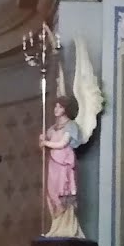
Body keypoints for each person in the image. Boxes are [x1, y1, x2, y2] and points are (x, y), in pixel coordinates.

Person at [40, 96, 84, 238]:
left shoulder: (71, 126)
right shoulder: (52, 128)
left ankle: (66, 228)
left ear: (66, 109)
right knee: (51, 192)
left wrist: (46, 143)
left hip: (64, 162)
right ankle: (55, 226)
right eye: (56, 106)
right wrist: (42, 140)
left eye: (59, 107)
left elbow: (62, 144)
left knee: (62, 192)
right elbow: (44, 142)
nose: (56, 109)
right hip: (53, 163)